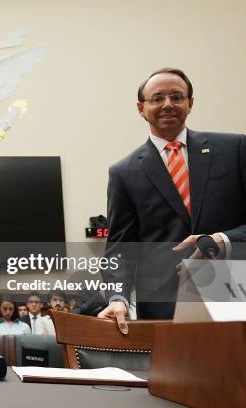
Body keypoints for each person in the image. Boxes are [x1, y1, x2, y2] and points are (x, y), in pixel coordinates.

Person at [99, 67, 246, 333]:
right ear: (141, 107)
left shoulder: (234, 150)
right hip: (163, 302)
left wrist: (221, 240)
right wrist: (117, 297)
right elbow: (120, 248)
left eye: (177, 97)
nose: (168, 104)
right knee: (174, 375)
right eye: (157, 98)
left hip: (231, 288)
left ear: (190, 104)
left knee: (235, 373)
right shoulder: (124, 172)